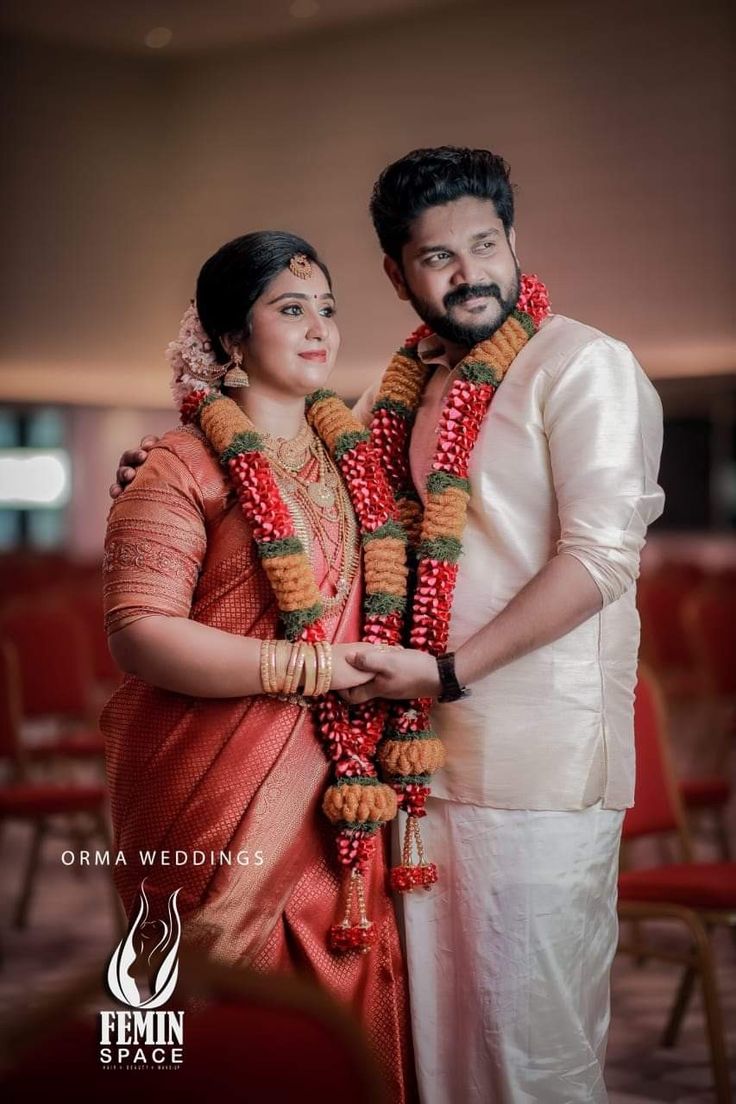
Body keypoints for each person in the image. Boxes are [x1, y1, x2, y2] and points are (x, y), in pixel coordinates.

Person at [112, 148, 665, 1104]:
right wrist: (167, 466)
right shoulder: (398, 389)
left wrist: (448, 670)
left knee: (529, 1045)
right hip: (412, 770)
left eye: (483, 245)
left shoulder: (585, 366)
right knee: (432, 1045)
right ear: (397, 275)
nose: (468, 273)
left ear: (512, 241)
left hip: (534, 764)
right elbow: (301, 475)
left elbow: (603, 558)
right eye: (436, 257)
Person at [101, 230, 414, 1104]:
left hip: (336, 780)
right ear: (231, 337)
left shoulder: (359, 467)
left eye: (327, 309)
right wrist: (314, 669)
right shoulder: (178, 464)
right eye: (289, 308)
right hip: (206, 780)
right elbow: (138, 634)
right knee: (203, 1014)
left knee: (340, 990)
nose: (319, 327)